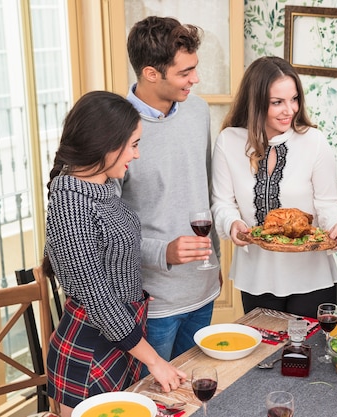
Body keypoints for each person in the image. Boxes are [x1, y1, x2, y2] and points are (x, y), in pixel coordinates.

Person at [42, 91, 186, 416]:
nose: (136, 155)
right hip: (90, 351)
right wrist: (156, 362)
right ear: (106, 143)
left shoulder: (103, 186)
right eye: (133, 144)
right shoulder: (70, 203)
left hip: (123, 339)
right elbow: (97, 297)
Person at [116, 16, 221, 370]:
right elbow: (107, 229)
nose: (195, 79)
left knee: (191, 395)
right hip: (153, 301)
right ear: (151, 73)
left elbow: (204, 189)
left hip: (203, 290)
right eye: (185, 72)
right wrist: (166, 252)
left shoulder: (198, 110)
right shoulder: (115, 130)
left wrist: (215, 259)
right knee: (155, 401)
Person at [211, 56, 337, 318]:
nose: (289, 110)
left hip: (312, 275)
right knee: (266, 356)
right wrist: (231, 223)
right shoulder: (229, 142)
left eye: (294, 99)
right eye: (277, 102)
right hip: (257, 274)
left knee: (310, 355)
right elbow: (223, 202)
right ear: (256, 103)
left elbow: (328, 202)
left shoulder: (314, 142)